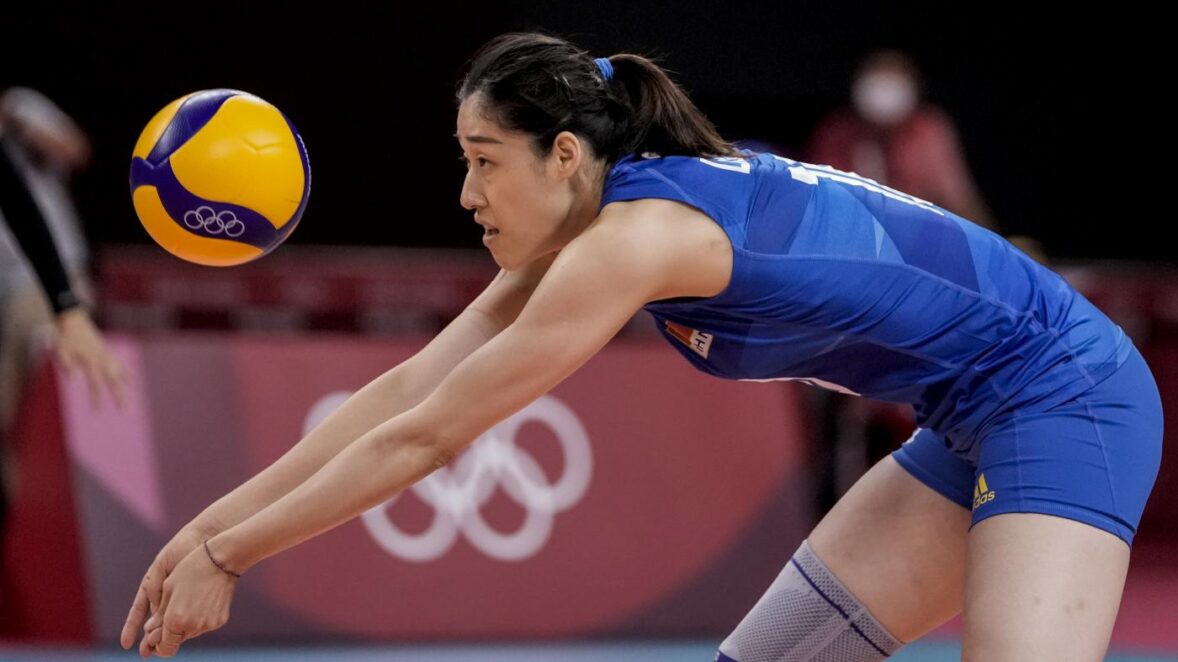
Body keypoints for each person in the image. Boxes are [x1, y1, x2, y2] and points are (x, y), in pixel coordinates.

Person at [121, 32, 1162, 661]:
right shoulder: (598, 222)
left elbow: (430, 439)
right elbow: (405, 388)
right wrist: (207, 532)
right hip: (968, 416)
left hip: (1063, 389)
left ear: (564, 154)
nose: (466, 194)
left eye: (483, 161)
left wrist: (232, 556)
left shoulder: (634, 239)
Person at [0, 87, 128, 540]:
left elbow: (73, 150)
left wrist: (68, 308)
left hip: (39, 284)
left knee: (46, 407)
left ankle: (53, 528)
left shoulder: (19, 107)